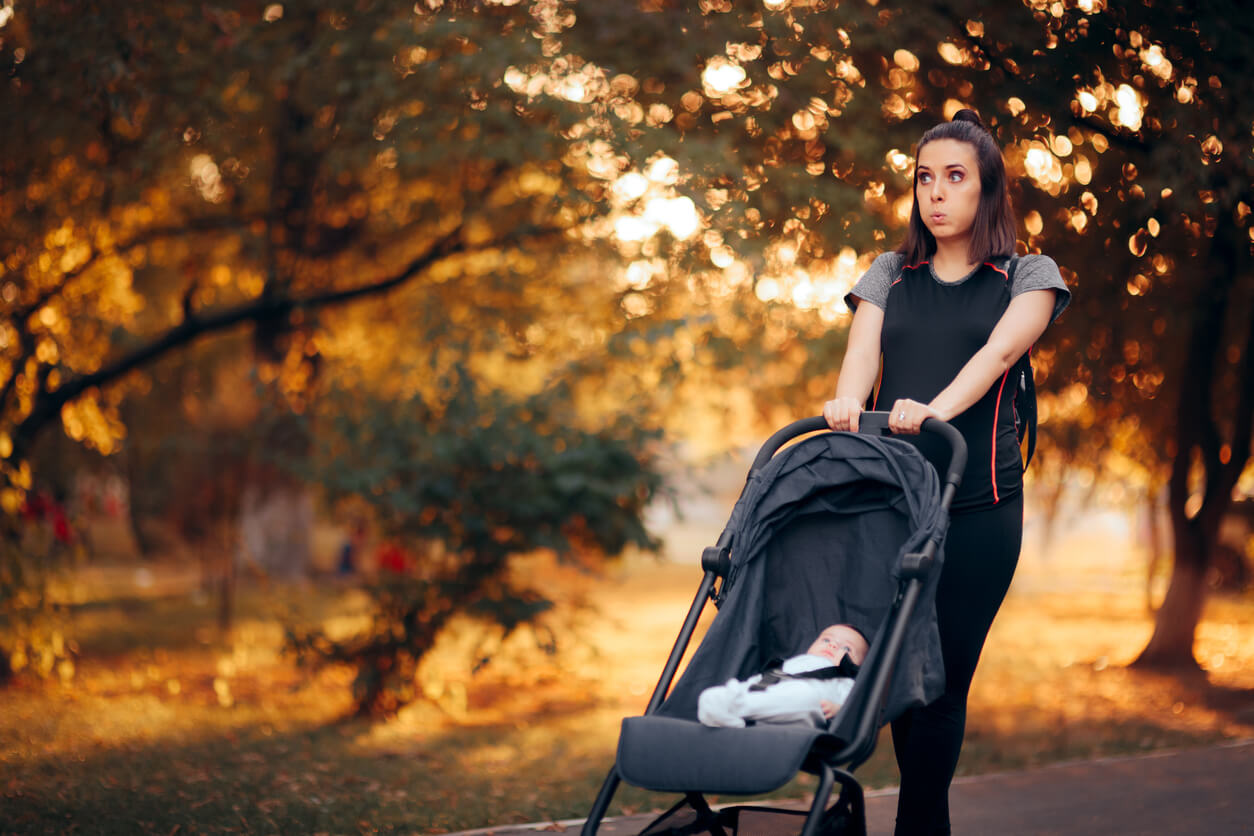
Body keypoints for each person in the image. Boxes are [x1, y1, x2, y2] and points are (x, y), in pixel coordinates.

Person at [822, 109, 1070, 835]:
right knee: (892, 674)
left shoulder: (1029, 275)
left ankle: (920, 826)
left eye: (955, 177)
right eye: (925, 178)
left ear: (987, 189)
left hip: (979, 511)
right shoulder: (889, 273)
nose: (936, 193)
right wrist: (846, 399)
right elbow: (863, 354)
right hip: (892, 503)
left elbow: (996, 357)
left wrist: (929, 410)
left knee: (938, 685)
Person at [697, 624, 869, 728]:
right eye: (826, 640)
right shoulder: (793, 662)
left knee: (803, 696)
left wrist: (840, 709)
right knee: (710, 696)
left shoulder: (845, 680)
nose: (832, 646)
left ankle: (736, 709)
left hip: (809, 706)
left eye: (846, 648)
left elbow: (856, 704)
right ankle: (735, 712)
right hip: (768, 690)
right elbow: (767, 678)